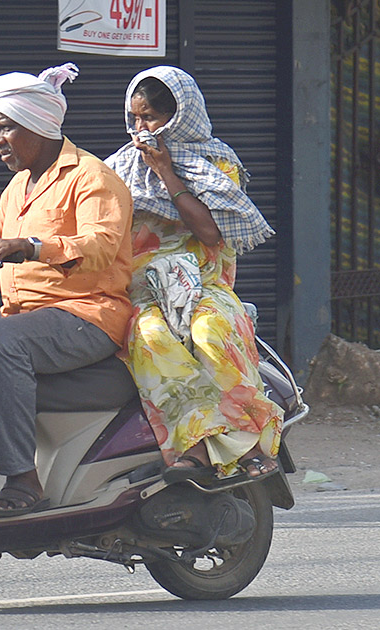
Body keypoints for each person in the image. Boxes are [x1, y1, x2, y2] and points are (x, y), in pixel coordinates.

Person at [0, 63, 133, 517]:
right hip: (26, 320)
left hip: (88, 315)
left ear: (38, 125)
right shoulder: (18, 186)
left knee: (2, 339)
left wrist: (32, 246)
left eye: (5, 128)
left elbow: (99, 247)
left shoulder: (93, 177)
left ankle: (22, 482)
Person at [105, 66, 283, 482]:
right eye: (134, 118)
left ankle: (252, 442)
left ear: (180, 115)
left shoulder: (217, 163)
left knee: (208, 333)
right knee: (149, 337)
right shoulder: (121, 168)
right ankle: (195, 445)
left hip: (201, 284)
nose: (140, 128)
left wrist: (167, 173)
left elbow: (209, 232)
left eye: (149, 117)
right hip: (146, 289)